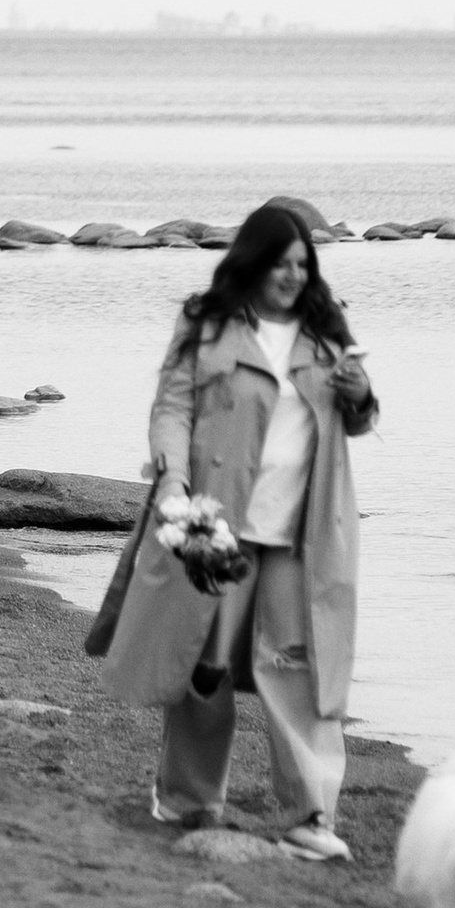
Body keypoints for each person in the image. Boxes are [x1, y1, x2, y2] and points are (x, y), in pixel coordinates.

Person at [100, 201, 377, 857]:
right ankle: (189, 801)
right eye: (281, 263)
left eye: (302, 265)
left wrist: (359, 390)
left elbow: (358, 421)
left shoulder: (325, 335)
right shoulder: (209, 325)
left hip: (302, 533)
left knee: (298, 667)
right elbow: (172, 407)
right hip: (217, 525)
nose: (292, 276)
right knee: (207, 664)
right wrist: (171, 480)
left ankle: (313, 815)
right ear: (253, 260)